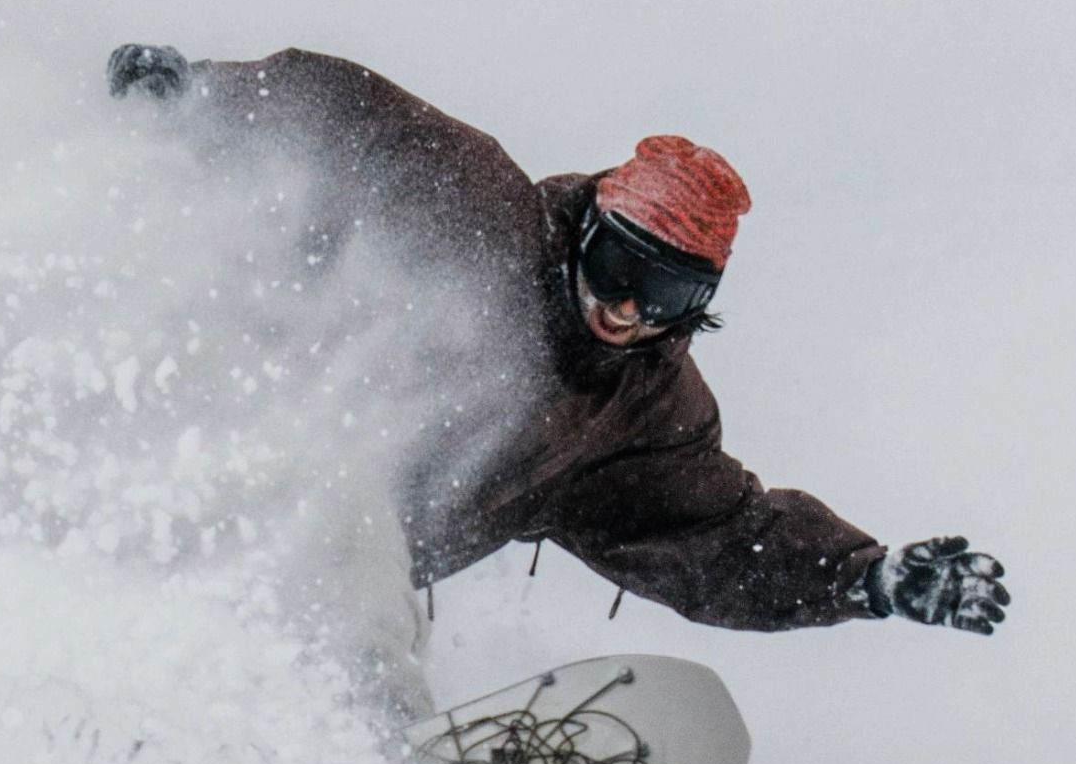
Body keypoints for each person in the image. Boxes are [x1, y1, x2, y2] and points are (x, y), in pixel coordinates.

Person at [108, 43, 1007, 715]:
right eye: (619, 268)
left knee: (375, 617)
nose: (627, 310)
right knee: (345, 544)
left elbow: (716, 536)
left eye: (667, 296)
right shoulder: (468, 204)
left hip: (328, 576)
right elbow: (336, 115)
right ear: (587, 226)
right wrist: (195, 95)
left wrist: (866, 577)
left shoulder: (636, 414)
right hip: (230, 448)